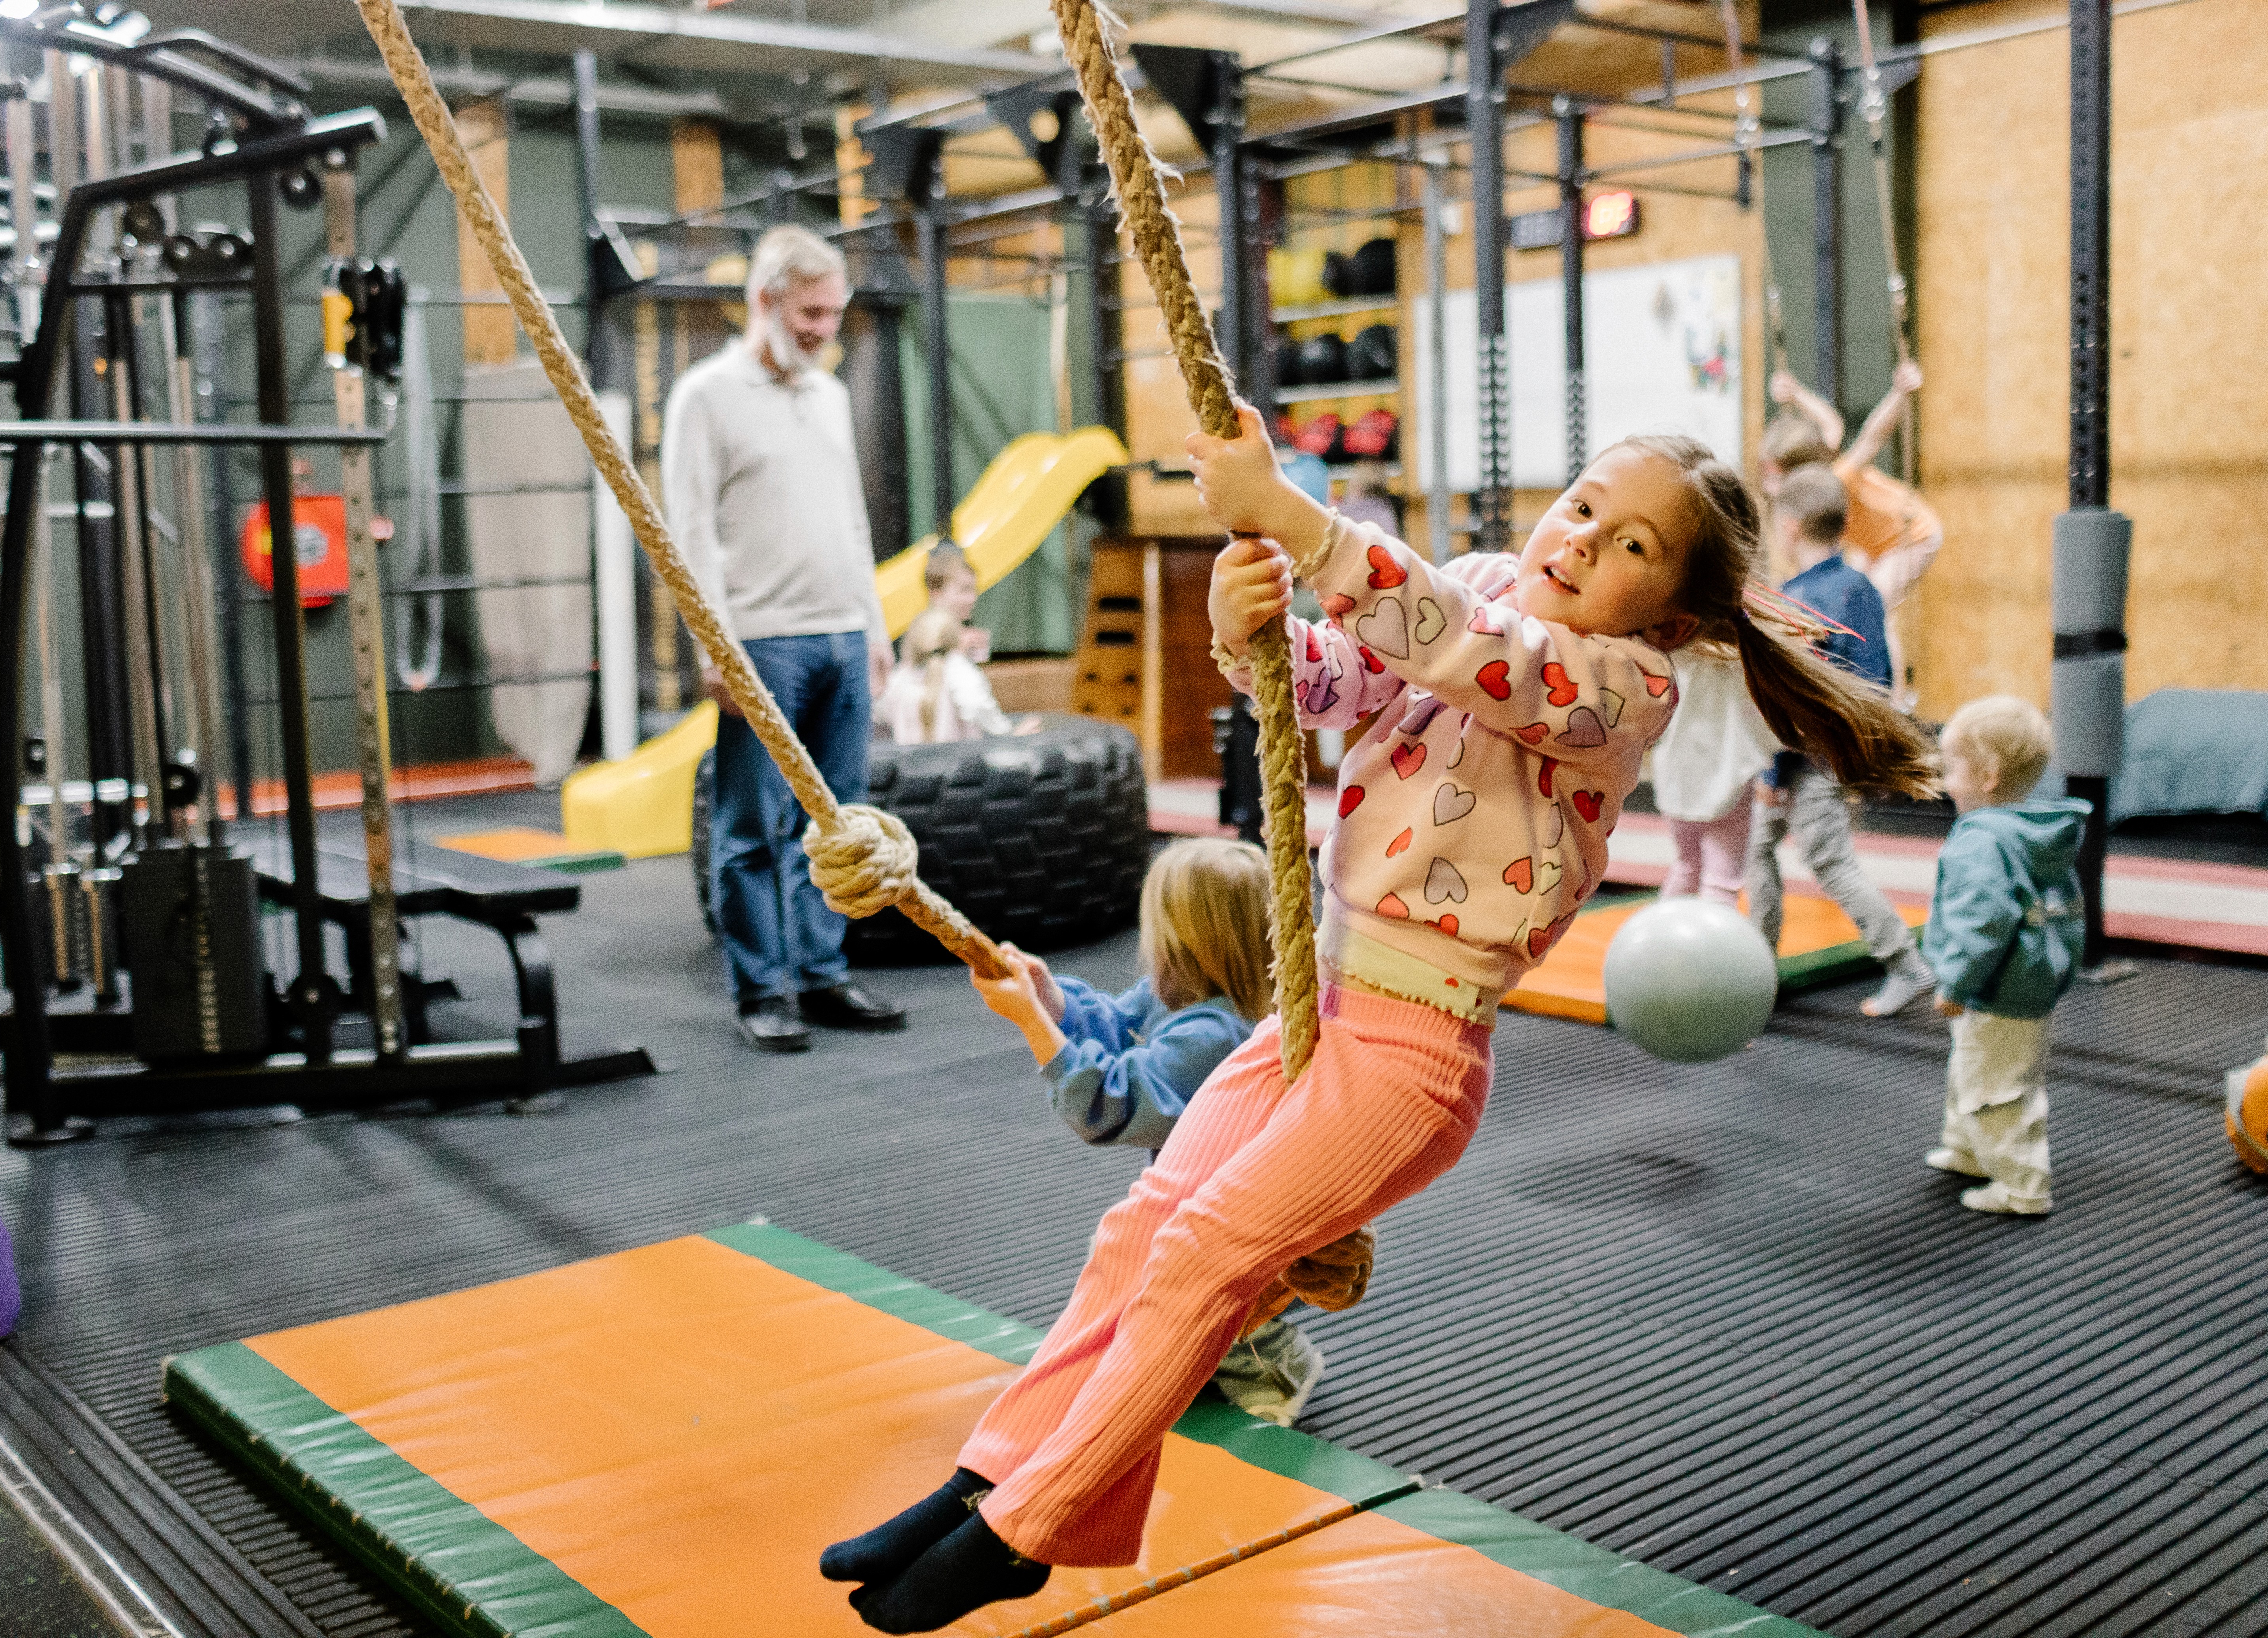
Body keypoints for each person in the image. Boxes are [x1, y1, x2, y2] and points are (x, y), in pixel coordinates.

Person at [821, 408, 1935, 1633]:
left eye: (1629, 546)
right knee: (1141, 1230)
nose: (1580, 541)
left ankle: (1021, 1531)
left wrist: (1300, 520)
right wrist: (1249, 627)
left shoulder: (1621, 688)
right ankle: (991, 1474)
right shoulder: (1471, 583)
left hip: (1412, 1053)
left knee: (1206, 1257)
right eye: (1581, 505)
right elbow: (1338, 679)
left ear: (1669, 611)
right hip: (1326, 1004)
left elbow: (1470, 653)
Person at [962, 837, 1324, 1427]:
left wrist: (1031, 1020)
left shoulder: (1218, 1034)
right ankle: (1193, 1353)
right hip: (1190, 1195)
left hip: (1234, 1209)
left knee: (1191, 1284)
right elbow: (1115, 1022)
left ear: (1190, 941)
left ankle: (1276, 1364)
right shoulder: (1180, 995)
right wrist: (1050, 997)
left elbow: (1110, 1102)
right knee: (1152, 1275)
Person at [665, 224, 905, 1053]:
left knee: (836, 825)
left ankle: (821, 974)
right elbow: (687, 534)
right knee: (749, 828)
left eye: (834, 315)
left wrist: (874, 628)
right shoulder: (705, 396)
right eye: (809, 313)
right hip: (762, 644)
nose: (823, 330)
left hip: (840, 634)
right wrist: (715, 650)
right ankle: (763, 989)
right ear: (763, 301)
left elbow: (851, 520)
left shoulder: (828, 396)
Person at [1746, 465, 1938, 1018]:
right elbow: (1873, 678)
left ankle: (1906, 964)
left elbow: (1790, 699)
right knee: (1759, 847)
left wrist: (1774, 776)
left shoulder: (1796, 599)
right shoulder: (1862, 587)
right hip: (1836, 749)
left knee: (1828, 859)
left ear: (1790, 527)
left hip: (1805, 757)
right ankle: (1760, 969)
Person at [1921, 696, 2087, 1216]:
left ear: (1988, 775)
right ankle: (1970, 1148)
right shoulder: (2035, 833)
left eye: (1952, 767)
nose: (1946, 780)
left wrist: (1956, 985)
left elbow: (1983, 926)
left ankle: (2022, 1187)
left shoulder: (1981, 842)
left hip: (1993, 985)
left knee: (1998, 1086)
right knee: (1979, 1066)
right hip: (2033, 977)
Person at [1763, 362, 1943, 709]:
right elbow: (1832, 423)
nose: (1773, 488)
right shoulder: (1819, 475)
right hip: (1875, 545)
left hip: (1914, 534)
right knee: (1852, 591)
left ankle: (1894, 701)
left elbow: (1873, 436)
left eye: (1777, 477)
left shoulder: (1835, 479)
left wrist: (1899, 394)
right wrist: (1796, 393)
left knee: (1875, 604)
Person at [1646, 650, 1778, 906]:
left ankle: (1663, 942)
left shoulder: (1671, 647)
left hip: (1677, 776)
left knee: (1687, 867)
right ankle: (1714, 946)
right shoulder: (1741, 651)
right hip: (1731, 775)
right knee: (1722, 882)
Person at [877, 546, 1040, 744]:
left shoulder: (917, 665)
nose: (973, 599)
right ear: (935, 593)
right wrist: (1010, 738)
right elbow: (973, 703)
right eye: (964, 591)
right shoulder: (951, 665)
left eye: (974, 591)